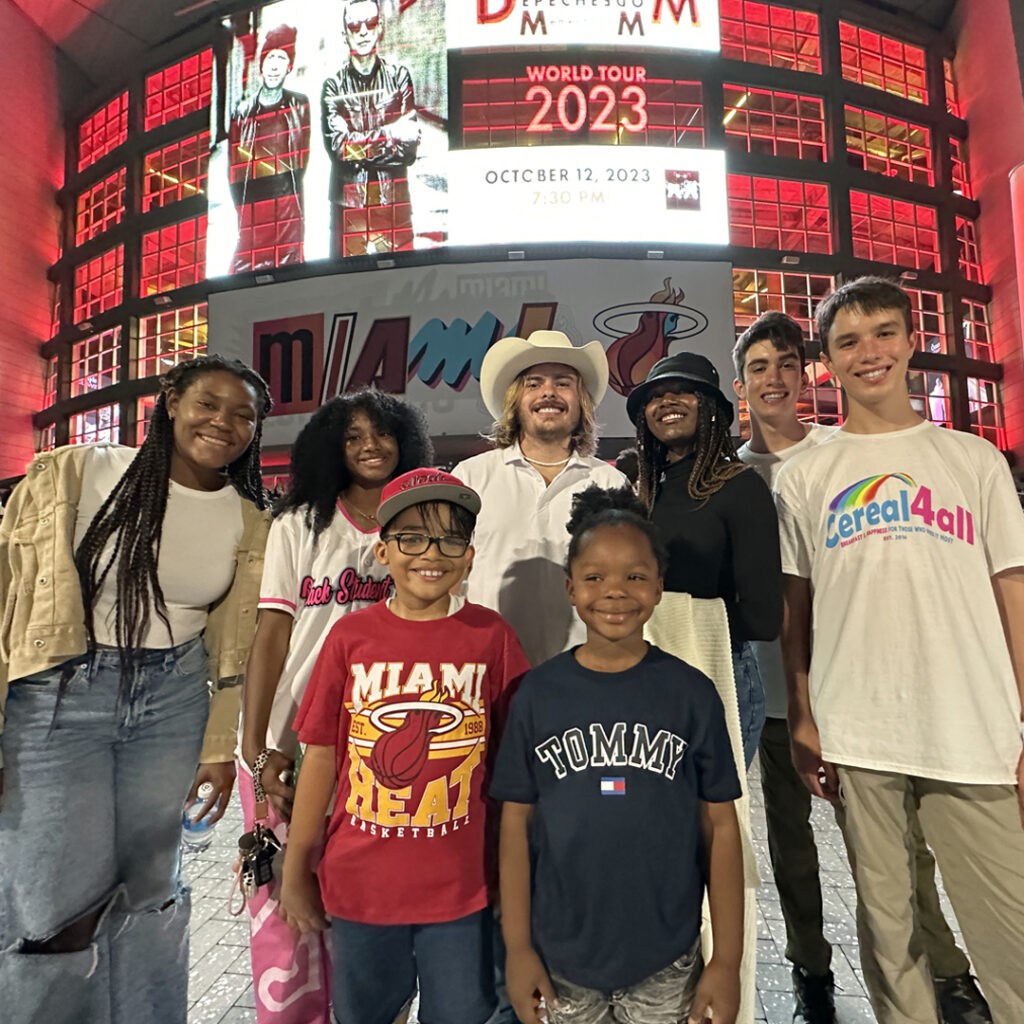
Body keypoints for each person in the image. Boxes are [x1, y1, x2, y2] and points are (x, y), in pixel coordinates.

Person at [776, 276, 1024, 1024]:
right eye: (849, 341)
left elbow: (1012, 591)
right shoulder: (803, 474)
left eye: (884, 332)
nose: (869, 352)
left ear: (912, 343)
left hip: (974, 727)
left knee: (1009, 933)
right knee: (890, 937)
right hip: (860, 729)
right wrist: (802, 715)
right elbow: (798, 611)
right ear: (828, 359)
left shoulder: (972, 460)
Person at [0, 355, 273, 1024]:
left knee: (153, 889)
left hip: (172, 697)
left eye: (244, 415)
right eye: (210, 403)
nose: (225, 423)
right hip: (61, 694)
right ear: (172, 400)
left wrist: (218, 748)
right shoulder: (77, 472)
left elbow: (230, 649)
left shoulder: (246, 519)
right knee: (55, 905)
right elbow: (7, 596)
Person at [277, 468, 530, 1024]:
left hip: (463, 889)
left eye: (449, 539)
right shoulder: (350, 638)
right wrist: (297, 866)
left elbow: (516, 767)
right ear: (384, 550)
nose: (430, 553)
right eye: (411, 537)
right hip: (361, 883)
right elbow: (320, 754)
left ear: (468, 555)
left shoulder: (492, 637)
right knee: (365, 1013)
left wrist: (519, 874)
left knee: (462, 1012)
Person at [492, 485, 744, 1024]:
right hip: (560, 959)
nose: (615, 592)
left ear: (658, 587)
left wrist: (727, 961)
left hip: (666, 963)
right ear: (570, 588)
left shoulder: (692, 693)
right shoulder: (537, 695)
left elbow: (721, 829)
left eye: (634, 576)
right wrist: (517, 950)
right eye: (595, 577)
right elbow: (515, 826)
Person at [238, 391, 432, 1024]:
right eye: (352, 437)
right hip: (293, 735)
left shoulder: (420, 524)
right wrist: (257, 743)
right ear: (332, 448)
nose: (370, 445)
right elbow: (271, 632)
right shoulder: (300, 522)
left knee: (371, 899)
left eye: (382, 433)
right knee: (286, 906)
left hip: (383, 740)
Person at [628, 352, 781, 768]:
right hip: (653, 671)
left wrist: (685, 620)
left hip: (719, 672)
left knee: (715, 824)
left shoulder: (740, 488)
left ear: (712, 407)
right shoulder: (645, 494)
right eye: (655, 396)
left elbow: (765, 618)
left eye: (684, 391)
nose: (667, 401)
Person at [453, 330, 627, 667]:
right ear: (515, 401)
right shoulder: (471, 477)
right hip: (487, 670)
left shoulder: (610, 484)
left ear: (582, 402)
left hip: (584, 672)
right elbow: (449, 576)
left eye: (563, 383)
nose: (548, 392)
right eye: (534, 383)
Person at [321, 0, 420, 257]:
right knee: (346, 290)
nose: (363, 32)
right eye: (355, 26)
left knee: (405, 285)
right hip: (349, 206)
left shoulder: (399, 78)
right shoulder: (333, 87)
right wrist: (391, 133)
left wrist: (358, 146)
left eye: (370, 23)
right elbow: (340, 150)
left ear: (380, 28)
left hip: (393, 203)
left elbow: (408, 151)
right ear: (345, 34)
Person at [229, 24, 311, 273]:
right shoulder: (242, 112)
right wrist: (243, 207)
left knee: (288, 268)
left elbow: (302, 157)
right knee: (246, 268)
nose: (275, 66)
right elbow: (233, 167)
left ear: (289, 65)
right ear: (261, 64)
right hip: (253, 205)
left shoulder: (300, 104)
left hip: (286, 205)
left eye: (282, 58)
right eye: (270, 58)